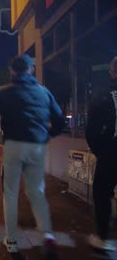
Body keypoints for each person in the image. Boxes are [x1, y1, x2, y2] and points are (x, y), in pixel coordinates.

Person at [0, 54, 65, 257]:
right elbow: (59, 121)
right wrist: (46, 136)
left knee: (10, 193)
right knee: (36, 191)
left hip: (13, 145)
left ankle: (11, 241)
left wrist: (1, 138)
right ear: (31, 69)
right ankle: (47, 234)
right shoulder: (44, 92)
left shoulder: (5, 93)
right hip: (37, 146)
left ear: (12, 70)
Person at [86, 56, 117, 251]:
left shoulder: (104, 94)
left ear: (112, 71)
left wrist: (100, 151)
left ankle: (103, 237)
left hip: (112, 151)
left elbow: (92, 129)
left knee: (102, 193)